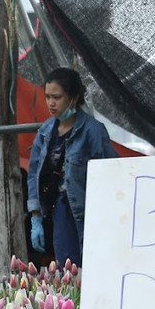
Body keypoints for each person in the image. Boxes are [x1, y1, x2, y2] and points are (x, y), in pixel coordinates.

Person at [27, 67, 117, 267]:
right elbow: (34, 174)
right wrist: (35, 218)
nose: (51, 103)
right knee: (68, 271)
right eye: (48, 96)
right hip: (60, 209)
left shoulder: (92, 130)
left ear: (74, 98)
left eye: (57, 97)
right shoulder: (45, 132)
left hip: (90, 210)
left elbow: (111, 172)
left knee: (95, 267)